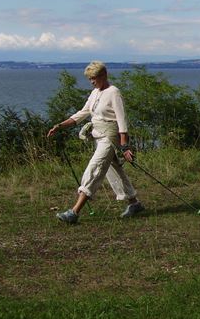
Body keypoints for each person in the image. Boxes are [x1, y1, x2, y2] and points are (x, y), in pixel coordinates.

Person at [47, 61, 144, 223]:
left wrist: (125, 146)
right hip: (99, 136)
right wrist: (60, 126)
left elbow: (122, 121)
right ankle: (134, 204)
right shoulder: (94, 93)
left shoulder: (114, 92)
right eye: (90, 79)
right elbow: (82, 113)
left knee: (95, 168)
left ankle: (74, 212)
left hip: (109, 137)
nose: (92, 81)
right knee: (113, 171)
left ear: (104, 75)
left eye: (94, 78)